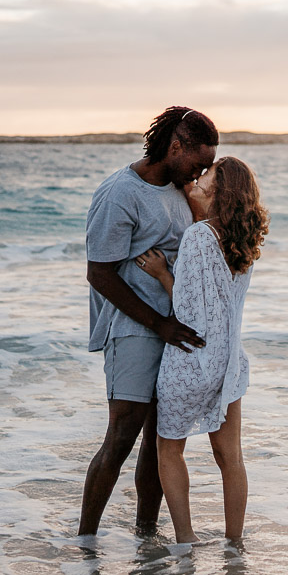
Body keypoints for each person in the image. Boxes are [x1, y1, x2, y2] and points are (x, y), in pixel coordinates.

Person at [78, 106, 218, 536]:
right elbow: (98, 273)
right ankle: (84, 542)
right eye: (199, 163)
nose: (201, 173)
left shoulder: (180, 190)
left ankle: (146, 538)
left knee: (160, 447)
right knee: (120, 440)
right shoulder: (121, 193)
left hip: (172, 328)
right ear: (175, 147)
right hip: (134, 329)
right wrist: (158, 324)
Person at [135, 156, 269, 544]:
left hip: (190, 362)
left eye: (207, 173)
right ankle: (234, 543)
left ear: (219, 186)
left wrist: (162, 275)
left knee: (169, 451)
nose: (199, 175)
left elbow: (187, 312)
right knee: (231, 459)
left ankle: (186, 538)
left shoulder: (198, 238)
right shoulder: (245, 240)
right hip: (229, 363)